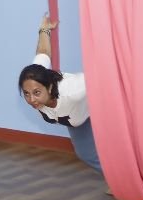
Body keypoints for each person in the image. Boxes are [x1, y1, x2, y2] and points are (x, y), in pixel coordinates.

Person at [18, 13, 102, 173]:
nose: (31, 99)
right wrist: (44, 30)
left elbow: (106, 76)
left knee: (121, 146)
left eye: (36, 93)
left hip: (101, 106)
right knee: (87, 154)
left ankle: (134, 181)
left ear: (49, 87)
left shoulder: (74, 90)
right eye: (26, 94)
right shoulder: (35, 76)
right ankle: (119, 182)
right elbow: (43, 52)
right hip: (80, 117)